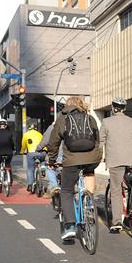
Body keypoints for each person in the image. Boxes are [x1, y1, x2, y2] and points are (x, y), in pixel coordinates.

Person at [46, 96, 102, 241]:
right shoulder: (90, 118)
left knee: (66, 191)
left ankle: (70, 226)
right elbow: (97, 139)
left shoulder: (62, 118)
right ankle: (88, 204)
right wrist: (97, 157)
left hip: (71, 160)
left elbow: (54, 143)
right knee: (89, 172)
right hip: (92, 159)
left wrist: (52, 160)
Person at [99, 97, 132, 232]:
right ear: (124, 108)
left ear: (112, 108)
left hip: (115, 161)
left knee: (116, 190)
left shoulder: (106, 122)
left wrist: (100, 158)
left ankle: (117, 222)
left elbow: (100, 142)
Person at [36, 121, 62, 196]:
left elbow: (45, 141)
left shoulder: (51, 128)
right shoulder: (67, 126)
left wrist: (38, 148)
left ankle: (54, 186)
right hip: (67, 154)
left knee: (49, 168)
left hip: (56, 154)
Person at [22, 124, 45, 193]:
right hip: (41, 152)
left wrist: (22, 151)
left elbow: (23, 145)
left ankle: (30, 184)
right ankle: (43, 171)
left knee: (30, 169)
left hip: (31, 153)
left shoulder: (26, 134)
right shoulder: (40, 134)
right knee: (42, 162)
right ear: (36, 129)